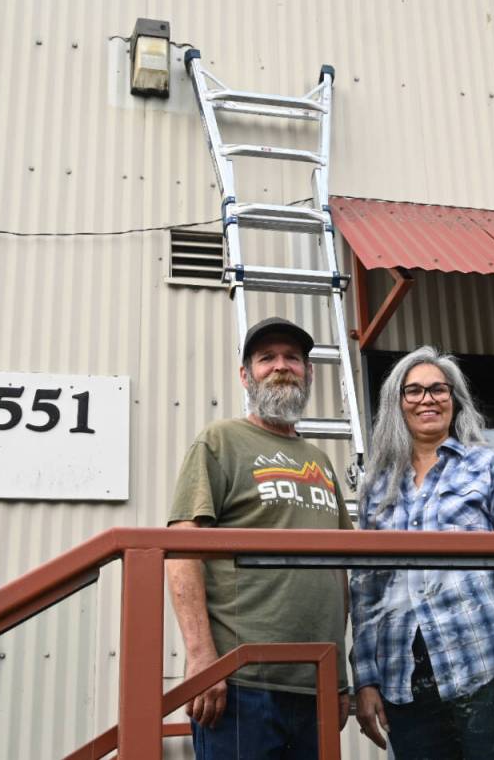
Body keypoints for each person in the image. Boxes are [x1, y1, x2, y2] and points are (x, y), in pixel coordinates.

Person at [166, 316, 351, 760]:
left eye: (293, 358)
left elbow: (339, 573)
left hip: (316, 684)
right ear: (246, 376)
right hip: (241, 682)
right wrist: (201, 659)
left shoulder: (321, 461)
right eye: (267, 358)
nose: (281, 366)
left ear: (309, 373)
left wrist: (340, 678)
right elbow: (180, 550)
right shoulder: (220, 441)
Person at [350, 346, 494, 760]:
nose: (428, 399)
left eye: (438, 389)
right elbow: (366, 589)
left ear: (454, 400)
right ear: (397, 404)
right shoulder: (377, 486)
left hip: (486, 669)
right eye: (414, 391)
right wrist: (365, 678)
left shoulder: (489, 467)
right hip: (404, 680)